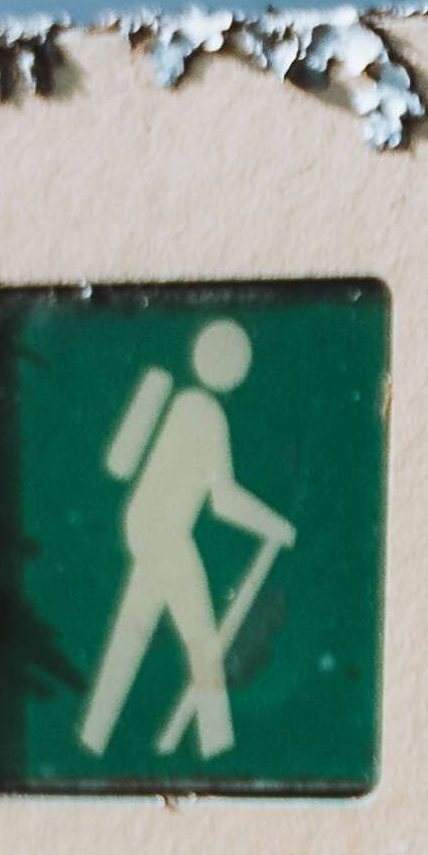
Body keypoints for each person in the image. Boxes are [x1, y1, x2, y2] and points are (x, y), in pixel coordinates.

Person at [78, 317, 294, 764]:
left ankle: (93, 738)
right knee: (201, 643)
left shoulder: (183, 404)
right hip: (165, 535)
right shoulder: (205, 413)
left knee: (130, 636)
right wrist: (274, 525)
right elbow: (223, 499)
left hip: (147, 529)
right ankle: (218, 751)